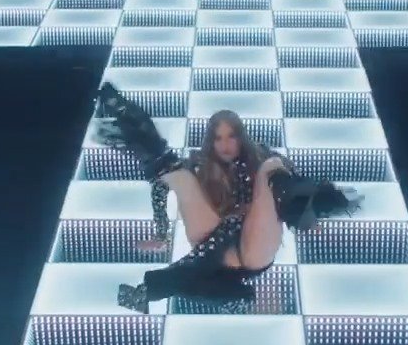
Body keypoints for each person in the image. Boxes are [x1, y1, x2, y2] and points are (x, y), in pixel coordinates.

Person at [92, 82, 362, 312]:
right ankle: (121, 112)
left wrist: (307, 214)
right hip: (216, 245)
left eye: (231, 136)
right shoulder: (200, 163)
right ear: (210, 140)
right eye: (218, 138)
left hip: (253, 246)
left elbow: (289, 177)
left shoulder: (261, 154)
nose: (225, 144)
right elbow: (162, 185)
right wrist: (162, 233)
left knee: (271, 167)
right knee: (175, 171)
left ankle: (160, 291)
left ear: (241, 137)